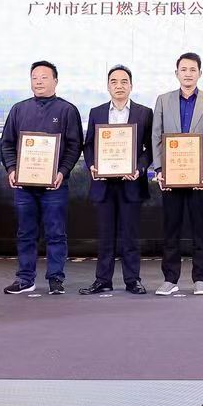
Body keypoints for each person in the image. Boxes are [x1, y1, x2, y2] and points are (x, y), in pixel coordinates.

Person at [0, 60, 83, 296]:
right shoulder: (19, 109)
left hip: (55, 185)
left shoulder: (67, 110)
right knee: (25, 233)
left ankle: (56, 279)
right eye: (34, 77)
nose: (39, 81)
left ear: (55, 81)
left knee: (56, 233)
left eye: (44, 77)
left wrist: (62, 172)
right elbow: (7, 144)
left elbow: (74, 146)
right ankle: (25, 279)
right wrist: (12, 169)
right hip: (24, 186)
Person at [151, 52, 203, 296]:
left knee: (200, 229)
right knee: (171, 229)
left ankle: (200, 279)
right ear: (176, 73)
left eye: (193, 69)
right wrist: (159, 170)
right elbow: (156, 137)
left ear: (200, 73)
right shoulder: (163, 100)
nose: (188, 74)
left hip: (199, 176)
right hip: (171, 176)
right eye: (184, 69)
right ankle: (170, 279)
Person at [82, 64, 153, 296]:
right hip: (103, 183)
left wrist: (139, 168)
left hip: (131, 182)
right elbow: (89, 145)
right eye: (114, 81)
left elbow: (151, 148)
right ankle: (103, 280)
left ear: (131, 86)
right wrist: (92, 165)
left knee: (130, 235)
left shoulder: (144, 113)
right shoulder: (97, 112)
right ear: (107, 86)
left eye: (124, 81)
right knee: (105, 235)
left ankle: (133, 280)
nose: (119, 86)